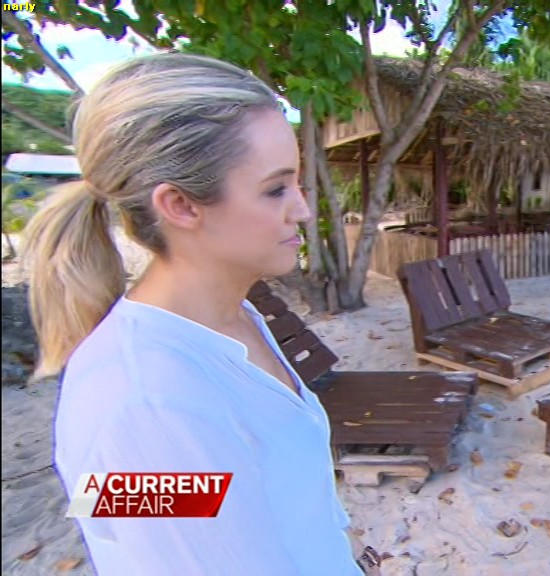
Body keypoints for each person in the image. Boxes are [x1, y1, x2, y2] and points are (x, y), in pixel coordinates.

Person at [22, 53, 369, 575]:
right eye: (275, 189)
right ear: (181, 206)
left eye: (297, 183)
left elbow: (277, 503)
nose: (301, 209)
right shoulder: (144, 404)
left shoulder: (234, 318)